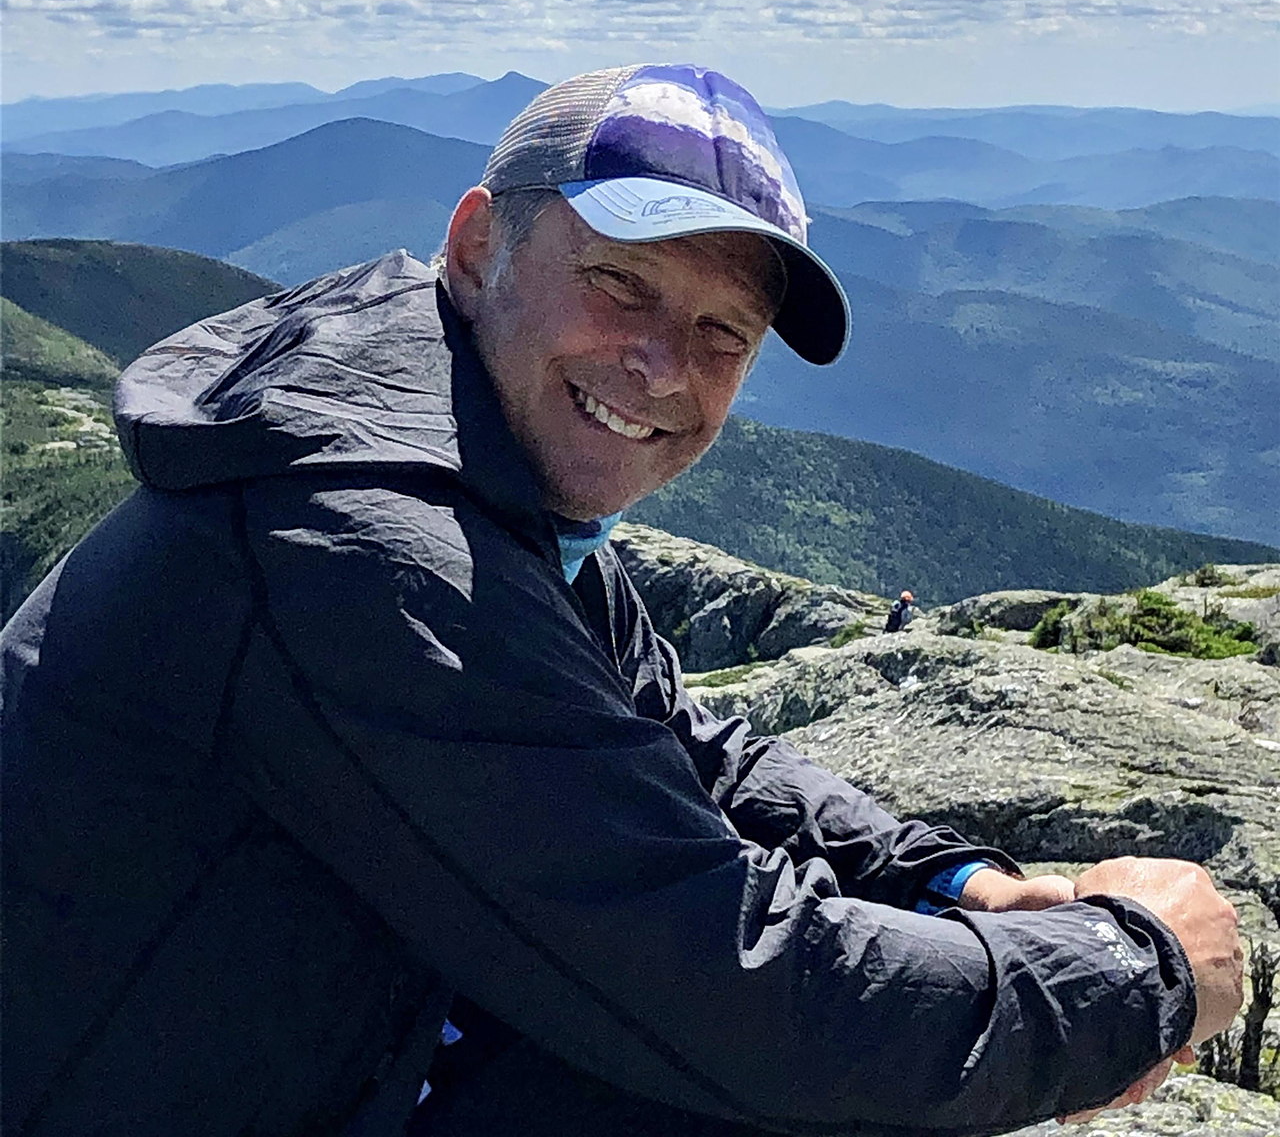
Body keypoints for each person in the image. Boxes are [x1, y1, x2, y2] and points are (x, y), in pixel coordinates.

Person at [1, 65, 1242, 1137]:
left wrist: (957, 886)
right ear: (478, 247)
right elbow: (739, 986)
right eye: (619, 283)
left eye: (723, 334)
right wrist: (1135, 972)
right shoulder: (365, 549)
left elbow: (679, 742)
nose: (662, 367)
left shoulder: (461, 451)